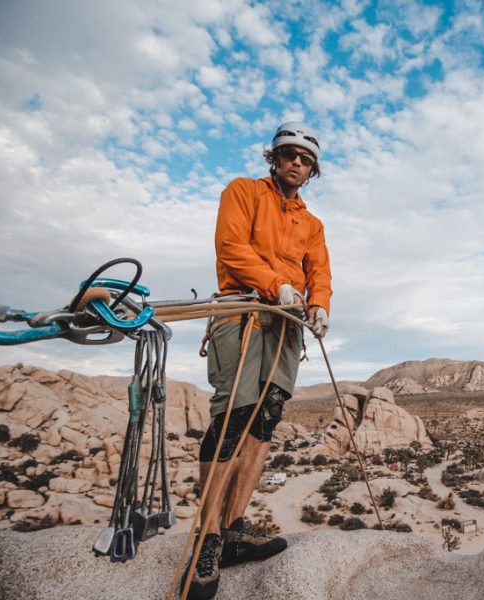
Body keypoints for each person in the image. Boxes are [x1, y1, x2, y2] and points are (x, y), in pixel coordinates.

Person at [182, 122, 332, 600]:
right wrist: (277, 285)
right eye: (289, 154)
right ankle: (206, 539)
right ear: (275, 157)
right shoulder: (244, 192)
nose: (296, 163)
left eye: (305, 159)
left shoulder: (312, 224)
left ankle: (234, 529)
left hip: (286, 326)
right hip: (243, 311)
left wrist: (320, 302)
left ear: (312, 170)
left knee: (265, 420)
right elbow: (232, 247)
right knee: (233, 415)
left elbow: (319, 271)